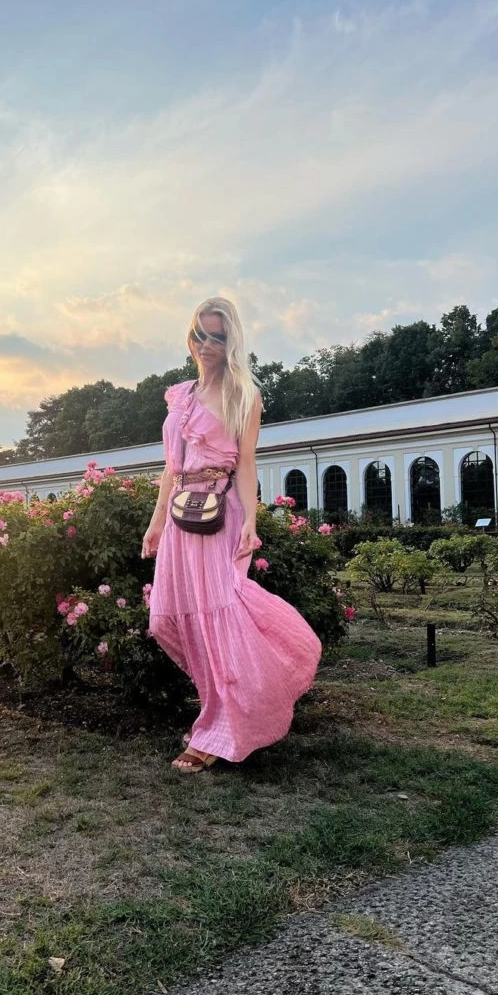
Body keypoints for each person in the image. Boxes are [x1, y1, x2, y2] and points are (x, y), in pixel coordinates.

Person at [141, 297, 322, 773]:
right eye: (200, 334)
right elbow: (171, 467)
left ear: (231, 341)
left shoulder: (244, 394)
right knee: (168, 618)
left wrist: (250, 520)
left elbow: (245, 464)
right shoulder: (180, 396)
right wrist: (156, 522)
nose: (206, 345)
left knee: (221, 617)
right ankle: (218, 709)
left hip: (221, 513)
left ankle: (218, 729)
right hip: (181, 515)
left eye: (217, 337)